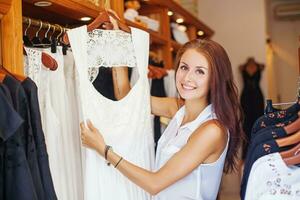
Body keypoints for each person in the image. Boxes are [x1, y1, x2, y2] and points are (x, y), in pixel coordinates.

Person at [80, 38, 244, 200]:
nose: (187, 78)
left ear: (216, 79)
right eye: (184, 67)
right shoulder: (178, 108)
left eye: (200, 71)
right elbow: (126, 97)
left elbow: (155, 183)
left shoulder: (212, 130)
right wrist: (116, 41)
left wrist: (103, 149)